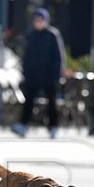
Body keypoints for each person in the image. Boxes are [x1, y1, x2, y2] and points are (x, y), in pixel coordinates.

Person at [11, 8, 66, 139]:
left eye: (41, 20)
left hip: (49, 76)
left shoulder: (53, 35)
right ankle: (23, 125)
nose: (39, 22)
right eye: (37, 20)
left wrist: (58, 75)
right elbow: (27, 55)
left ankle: (53, 127)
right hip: (33, 76)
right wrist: (25, 72)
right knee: (28, 101)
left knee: (51, 102)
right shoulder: (32, 35)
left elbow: (59, 57)